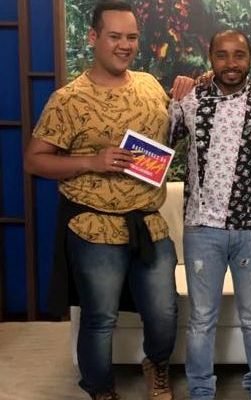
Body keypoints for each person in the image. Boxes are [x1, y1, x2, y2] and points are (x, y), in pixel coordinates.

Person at [24, 1, 177, 399]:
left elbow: (170, 130)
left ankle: (156, 364)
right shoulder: (68, 99)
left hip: (147, 220)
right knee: (100, 318)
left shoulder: (149, 84)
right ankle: (100, 388)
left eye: (132, 37)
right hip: (93, 226)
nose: (125, 45)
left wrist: (189, 91)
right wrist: (92, 161)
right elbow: (34, 160)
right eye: (115, 36)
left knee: (164, 313)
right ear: (93, 37)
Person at [168, 29, 251, 400]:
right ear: (210, 57)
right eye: (222, 55)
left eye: (239, 54)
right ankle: (200, 392)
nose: (231, 63)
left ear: (250, 57)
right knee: (201, 319)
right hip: (201, 228)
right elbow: (158, 145)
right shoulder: (189, 101)